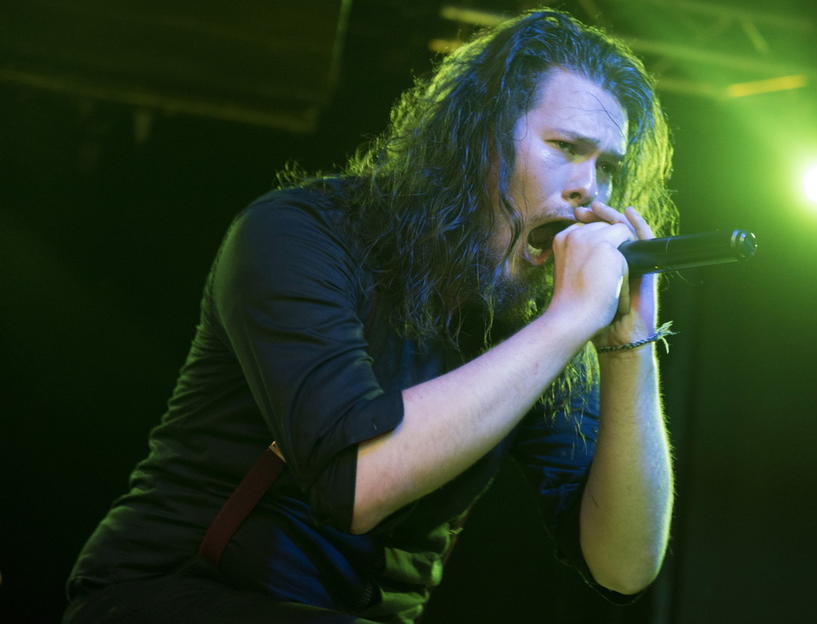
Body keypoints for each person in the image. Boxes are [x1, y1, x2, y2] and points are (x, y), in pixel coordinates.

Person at [63, 9, 678, 623]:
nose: (589, 189)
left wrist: (630, 343)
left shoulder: (530, 324)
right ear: (479, 139)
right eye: (565, 147)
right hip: (172, 596)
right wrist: (566, 322)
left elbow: (624, 565)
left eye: (607, 166)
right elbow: (355, 485)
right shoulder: (302, 235)